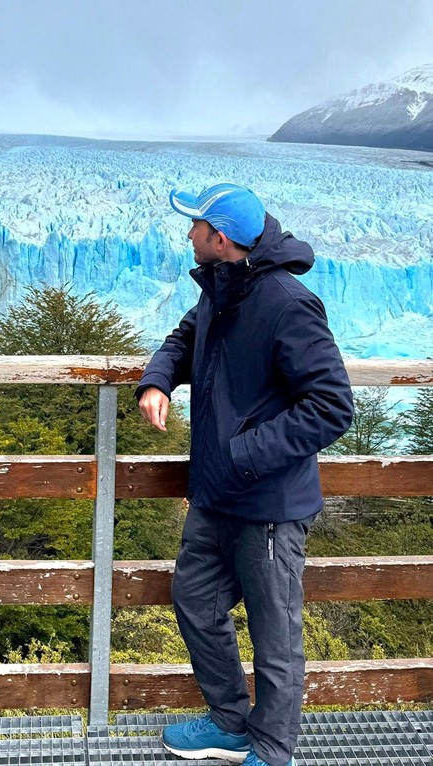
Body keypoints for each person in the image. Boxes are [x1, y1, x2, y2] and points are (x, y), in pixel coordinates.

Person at [136, 183, 353, 766]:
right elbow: (184, 338)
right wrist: (157, 379)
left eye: (197, 227)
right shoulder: (221, 288)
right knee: (194, 598)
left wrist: (244, 454)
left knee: (275, 633)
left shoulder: (286, 302)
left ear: (221, 238)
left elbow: (332, 407)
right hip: (214, 495)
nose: (189, 236)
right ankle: (229, 725)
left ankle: (273, 749)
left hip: (267, 504)